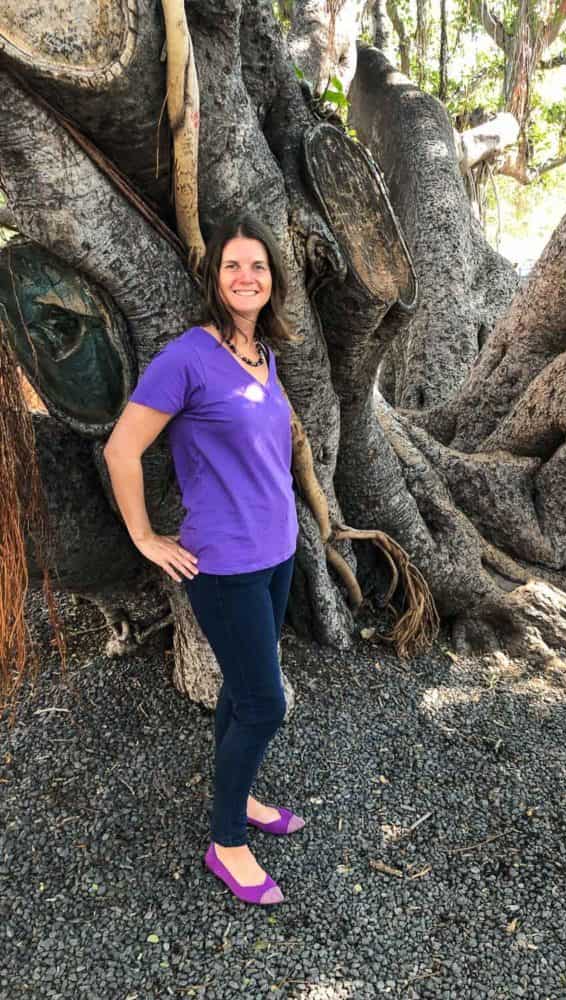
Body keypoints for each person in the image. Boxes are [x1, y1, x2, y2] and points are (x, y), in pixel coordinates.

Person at [103, 216, 304, 906]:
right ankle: (226, 841)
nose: (247, 277)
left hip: (278, 554)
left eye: (258, 266)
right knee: (265, 703)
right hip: (223, 563)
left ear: (271, 280)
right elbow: (121, 449)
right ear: (213, 279)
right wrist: (144, 536)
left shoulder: (263, 356)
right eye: (232, 267)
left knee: (242, 691)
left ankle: (240, 796)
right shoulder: (187, 356)